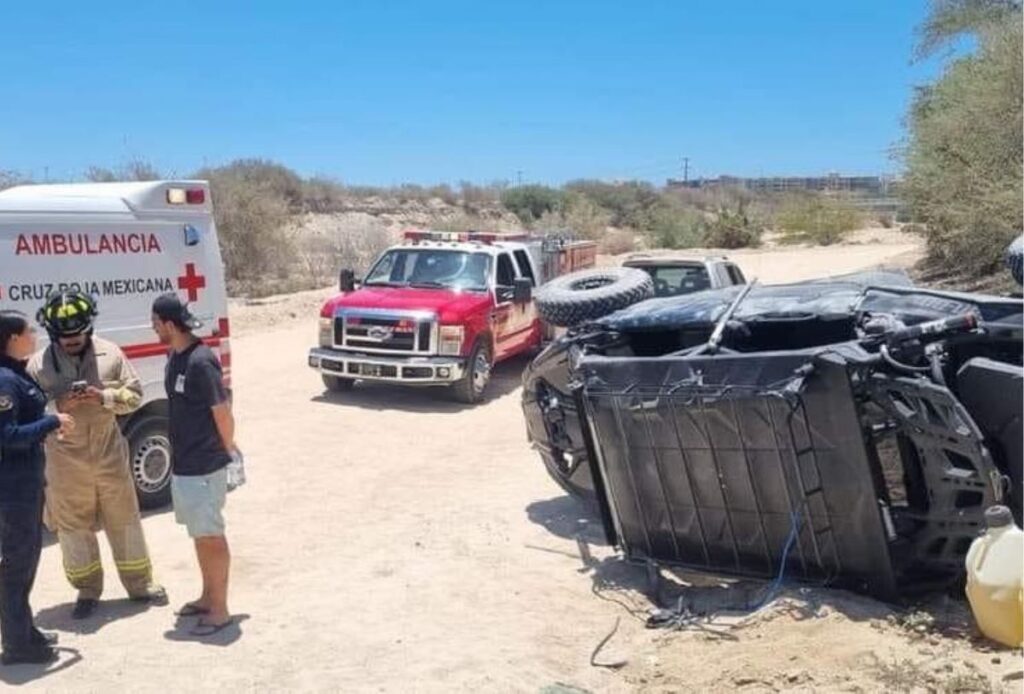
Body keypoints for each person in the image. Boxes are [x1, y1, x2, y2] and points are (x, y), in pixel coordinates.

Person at [29, 292, 167, 620]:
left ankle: (139, 584)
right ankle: (87, 590)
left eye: (78, 334)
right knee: (73, 528)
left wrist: (104, 396)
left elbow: (134, 396)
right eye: (65, 337)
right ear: (53, 333)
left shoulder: (111, 353)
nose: (72, 341)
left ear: (89, 328)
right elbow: (27, 413)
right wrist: (58, 405)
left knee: (125, 520)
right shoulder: (38, 365)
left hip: (109, 454)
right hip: (64, 462)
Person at [151, 294, 235, 636]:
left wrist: (227, 451)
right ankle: (207, 596)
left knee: (211, 536)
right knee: (200, 536)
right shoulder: (176, 356)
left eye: (156, 324)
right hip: (186, 465)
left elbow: (222, 411)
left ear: (170, 325)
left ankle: (220, 610)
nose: (153, 329)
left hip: (203, 466)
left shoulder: (201, 361)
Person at [0, 311, 74, 665]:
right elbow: (7, 436)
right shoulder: (4, 381)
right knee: (17, 564)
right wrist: (51, 421)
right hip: (13, 489)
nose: (34, 335)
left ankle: (24, 629)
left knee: (27, 560)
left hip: (27, 481)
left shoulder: (16, 371)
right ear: (13, 338)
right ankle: (16, 645)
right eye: (29, 331)